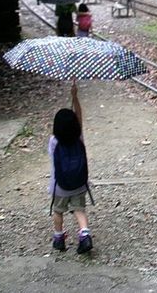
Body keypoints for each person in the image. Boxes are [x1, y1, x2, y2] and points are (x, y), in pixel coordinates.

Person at [49, 82, 93, 253]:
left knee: (58, 211)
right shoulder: (79, 137)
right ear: (75, 126)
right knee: (79, 210)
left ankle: (59, 238)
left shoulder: (54, 141)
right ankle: (84, 235)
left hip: (60, 186)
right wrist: (75, 97)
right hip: (79, 183)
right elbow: (79, 116)